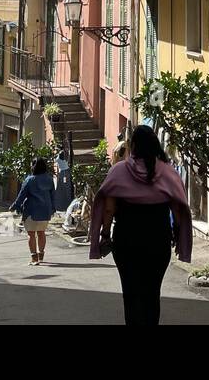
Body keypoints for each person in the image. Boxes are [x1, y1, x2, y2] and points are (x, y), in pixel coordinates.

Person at [89, 125, 193, 326]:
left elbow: (109, 208)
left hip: (126, 239)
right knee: (152, 293)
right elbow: (177, 208)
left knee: (130, 293)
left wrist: (105, 233)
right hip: (158, 239)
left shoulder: (119, 170)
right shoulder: (167, 172)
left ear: (133, 145)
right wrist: (178, 233)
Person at [11, 158, 56, 266]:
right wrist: (52, 208)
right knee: (41, 233)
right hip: (46, 210)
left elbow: (22, 195)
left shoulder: (29, 180)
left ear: (33, 166)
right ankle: (41, 256)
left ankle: (34, 258)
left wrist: (14, 206)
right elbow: (53, 195)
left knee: (31, 234)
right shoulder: (49, 179)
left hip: (32, 211)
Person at [55, 148, 73, 212]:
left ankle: (63, 205)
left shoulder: (57, 159)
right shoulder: (66, 159)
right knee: (67, 188)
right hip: (66, 172)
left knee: (62, 188)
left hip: (62, 173)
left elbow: (56, 158)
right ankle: (67, 203)